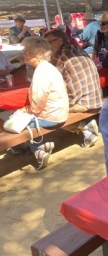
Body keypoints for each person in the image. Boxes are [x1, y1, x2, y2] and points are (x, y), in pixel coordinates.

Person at [43, 29, 103, 148]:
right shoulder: (78, 49)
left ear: (59, 41)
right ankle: (86, 125)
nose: (47, 47)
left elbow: (51, 79)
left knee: (48, 112)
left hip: (82, 102)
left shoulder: (60, 55)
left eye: (49, 43)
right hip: (95, 98)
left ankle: (83, 127)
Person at [16, 37, 69, 170]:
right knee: (18, 117)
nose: (24, 55)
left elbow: (37, 105)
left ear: (40, 53)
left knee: (14, 124)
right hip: (59, 113)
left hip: (51, 117)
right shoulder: (47, 68)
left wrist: (24, 111)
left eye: (27, 52)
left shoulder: (41, 72)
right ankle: (33, 146)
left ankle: (39, 149)